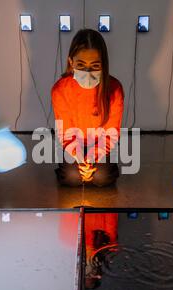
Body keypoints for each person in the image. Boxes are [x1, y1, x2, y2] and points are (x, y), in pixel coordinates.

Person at [52, 29, 124, 187]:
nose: (88, 72)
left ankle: (98, 169)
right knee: (72, 177)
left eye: (95, 65)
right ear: (71, 62)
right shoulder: (60, 89)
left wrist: (93, 157)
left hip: (101, 144)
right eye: (81, 65)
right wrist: (78, 156)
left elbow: (111, 132)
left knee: (102, 177)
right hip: (72, 143)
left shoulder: (114, 88)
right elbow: (65, 131)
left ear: (103, 64)